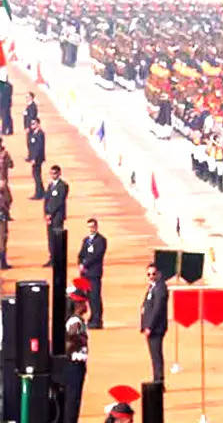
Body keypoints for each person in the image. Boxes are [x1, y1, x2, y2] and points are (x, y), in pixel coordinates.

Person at [139, 263, 168, 383]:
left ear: (159, 274)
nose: (151, 276)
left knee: (156, 355)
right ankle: (157, 378)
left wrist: (149, 327)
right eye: (149, 274)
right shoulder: (153, 287)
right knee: (154, 354)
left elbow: (157, 309)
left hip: (156, 328)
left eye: (153, 274)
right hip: (152, 327)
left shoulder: (160, 288)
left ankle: (159, 380)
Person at [64, 289, 90, 423]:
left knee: (74, 399)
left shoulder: (77, 320)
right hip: (74, 365)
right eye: (84, 303)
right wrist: (79, 340)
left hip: (76, 365)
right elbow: (70, 337)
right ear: (78, 304)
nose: (86, 306)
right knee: (72, 400)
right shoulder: (75, 321)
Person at [78, 218, 107, 328]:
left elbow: (97, 255)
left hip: (94, 272)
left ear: (96, 227)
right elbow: (81, 254)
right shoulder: (86, 240)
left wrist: (85, 264)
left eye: (93, 226)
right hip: (86, 273)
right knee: (89, 296)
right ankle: (92, 317)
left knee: (95, 296)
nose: (91, 229)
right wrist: (80, 264)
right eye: (89, 227)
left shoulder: (101, 240)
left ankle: (97, 319)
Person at [43, 164, 67, 267]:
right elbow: (47, 200)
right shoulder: (50, 185)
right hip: (50, 216)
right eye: (52, 173)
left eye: (55, 173)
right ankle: (52, 258)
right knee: (51, 238)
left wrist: (50, 213)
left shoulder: (62, 186)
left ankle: (58, 259)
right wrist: (46, 213)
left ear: (59, 173)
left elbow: (58, 201)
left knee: (57, 237)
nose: (53, 175)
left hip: (57, 216)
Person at [27, 117, 45, 200]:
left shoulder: (40, 134)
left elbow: (39, 147)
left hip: (38, 158)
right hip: (35, 158)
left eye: (33, 124)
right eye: (31, 124)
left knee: (36, 175)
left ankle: (38, 194)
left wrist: (34, 158)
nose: (32, 126)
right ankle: (41, 192)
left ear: (38, 124)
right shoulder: (33, 133)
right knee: (36, 175)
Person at [0, 173, 11, 269]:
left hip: (3, 217)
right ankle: (2, 263)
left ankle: (3, 262)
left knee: (4, 239)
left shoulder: (4, 186)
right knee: (2, 241)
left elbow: (9, 200)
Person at [0, 71, 12, 136]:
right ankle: (9, 129)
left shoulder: (6, 86)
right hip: (6, 103)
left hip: (4, 104)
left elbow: (4, 95)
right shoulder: (9, 85)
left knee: (5, 117)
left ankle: (4, 130)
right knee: (7, 117)